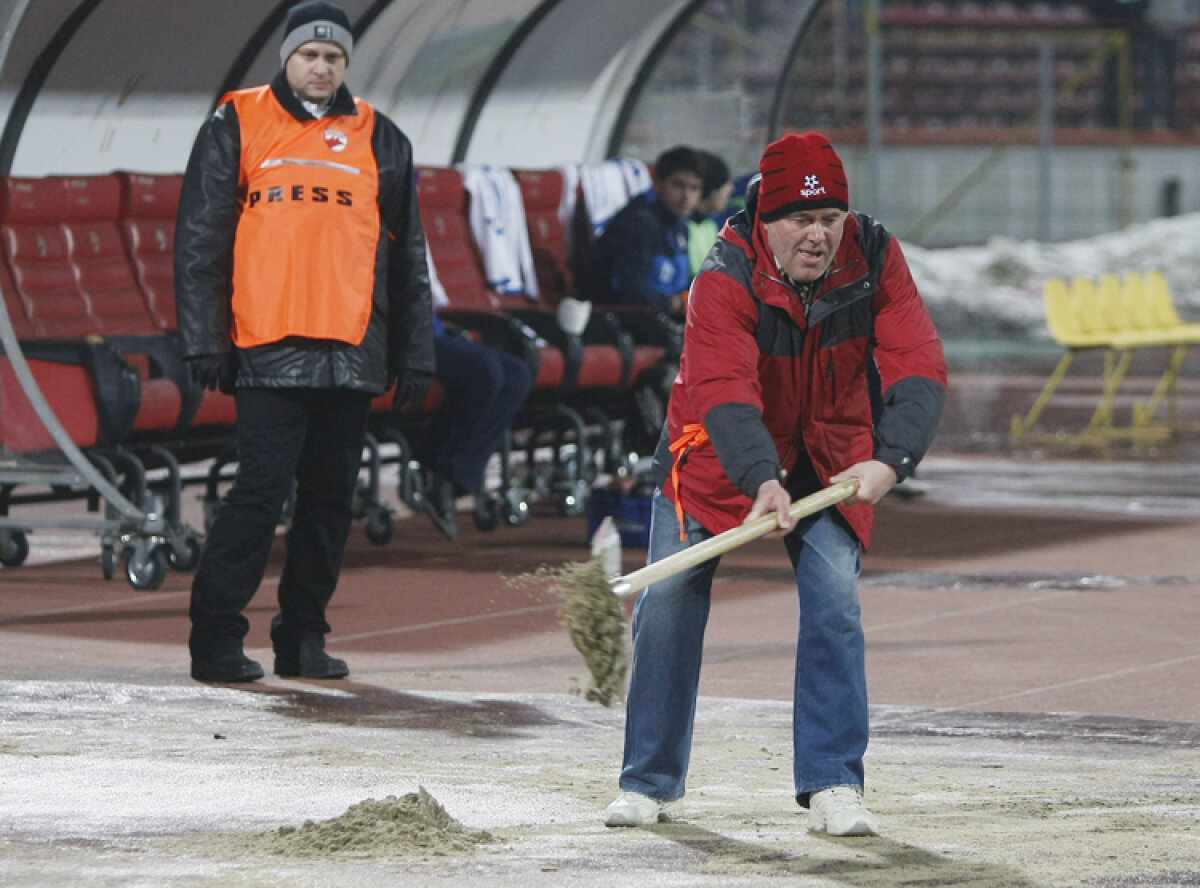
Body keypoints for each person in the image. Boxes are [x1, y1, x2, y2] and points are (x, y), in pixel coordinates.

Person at [604, 132, 947, 836]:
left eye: (830, 219)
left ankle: (833, 783)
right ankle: (649, 781)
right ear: (766, 220)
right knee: (668, 599)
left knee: (834, 603)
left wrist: (894, 458)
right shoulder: (725, 272)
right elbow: (724, 389)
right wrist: (760, 477)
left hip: (829, 454)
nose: (817, 236)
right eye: (800, 220)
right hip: (717, 453)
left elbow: (917, 359)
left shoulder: (876, 254)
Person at [176, 0, 435, 683]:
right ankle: (216, 642)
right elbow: (201, 238)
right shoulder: (237, 120)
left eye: (333, 57)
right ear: (287, 57)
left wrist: (414, 352)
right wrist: (205, 337)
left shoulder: (382, 137)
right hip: (266, 347)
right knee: (259, 494)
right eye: (308, 55)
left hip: (352, 351)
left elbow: (409, 256)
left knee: (329, 502)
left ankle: (302, 639)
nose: (319, 67)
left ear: (346, 63)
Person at [413, 314, 534, 540]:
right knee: (486, 372)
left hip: (437, 332)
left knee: (517, 375)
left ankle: (455, 475)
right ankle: (441, 469)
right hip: (407, 336)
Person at [588, 146, 704, 319]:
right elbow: (629, 292)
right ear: (658, 183)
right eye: (679, 185)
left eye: (694, 188)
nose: (686, 196)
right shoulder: (637, 223)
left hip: (663, 317)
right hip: (626, 320)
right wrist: (678, 303)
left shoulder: (680, 225)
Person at [687, 150, 733, 278]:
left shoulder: (708, 225)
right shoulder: (682, 227)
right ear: (712, 191)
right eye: (725, 184)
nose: (731, 189)